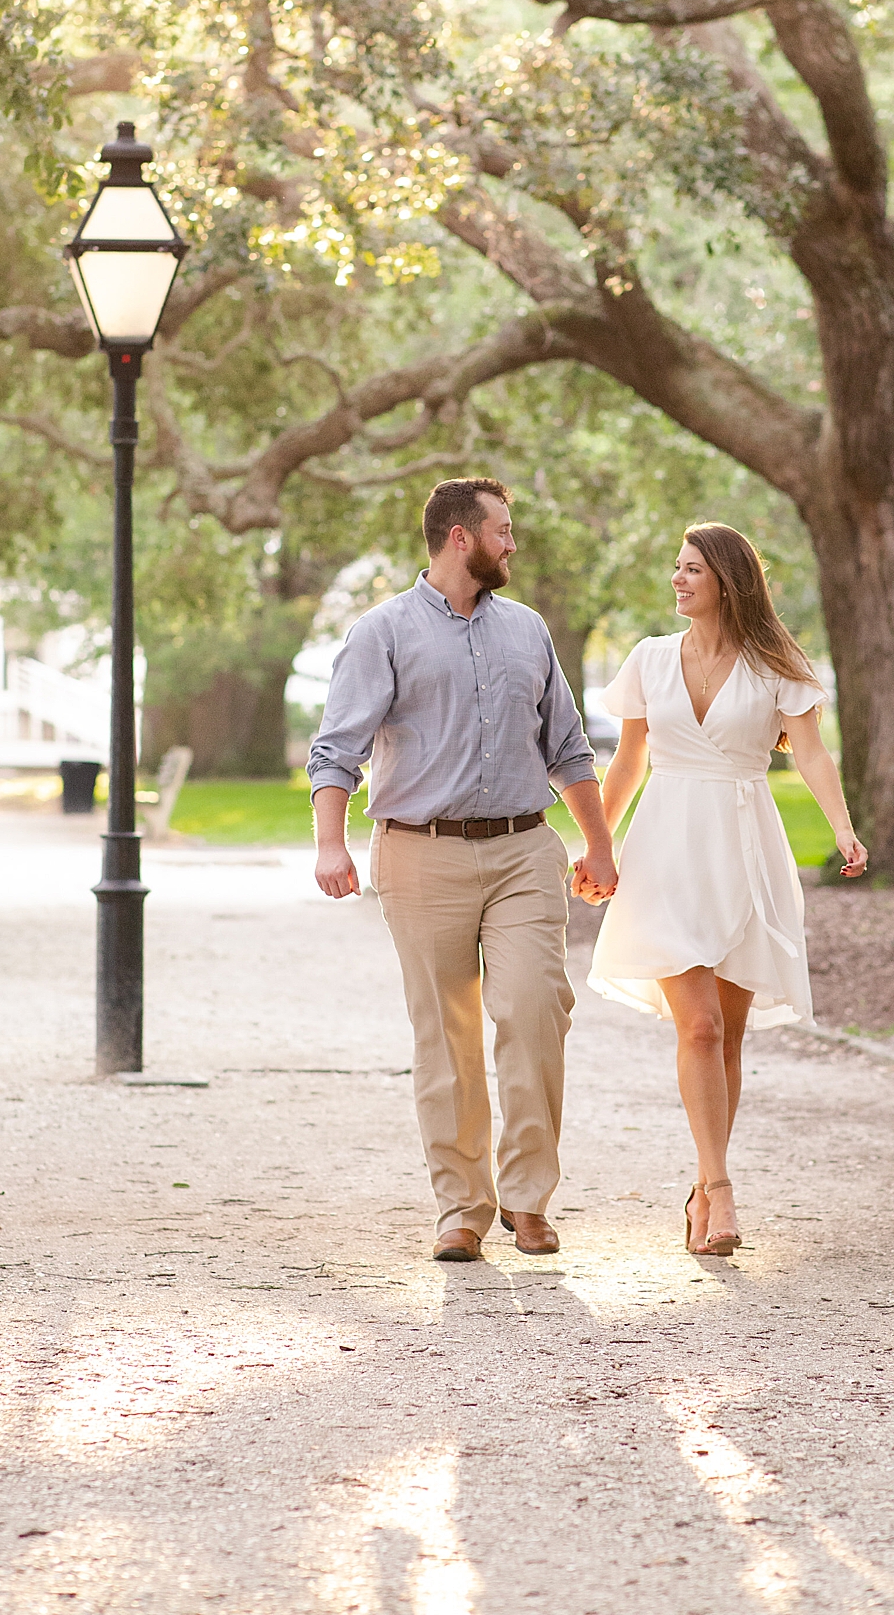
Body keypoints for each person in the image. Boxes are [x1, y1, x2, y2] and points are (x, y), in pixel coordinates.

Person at [309, 477, 618, 1263]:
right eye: (503, 530)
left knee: (533, 1010)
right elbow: (336, 746)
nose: (512, 543)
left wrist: (599, 843)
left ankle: (527, 1199)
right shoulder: (381, 632)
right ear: (460, 538)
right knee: (444, 1034)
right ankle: (462, 1209)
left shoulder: (529, 631)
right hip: (419, 852)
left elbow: (569, 748)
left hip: (523, 849)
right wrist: (330, 843)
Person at [584, 522, 867, 1257]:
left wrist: (843, 829)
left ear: (728, 581)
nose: (677, 580)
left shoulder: (777, 663)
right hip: (667, 848)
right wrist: (598, 845)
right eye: (676, 568)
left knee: (729, 1036)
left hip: (745, 848)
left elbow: (810, 751)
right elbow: (628, 763)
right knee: (700, 1027)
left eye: (692, 571)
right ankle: (719, 1189)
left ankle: (703, 1180)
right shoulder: (648, 660)